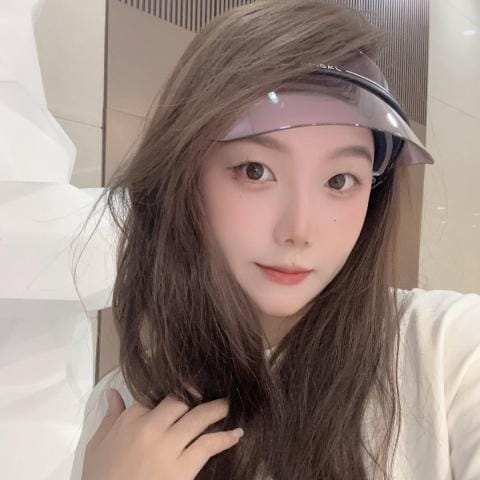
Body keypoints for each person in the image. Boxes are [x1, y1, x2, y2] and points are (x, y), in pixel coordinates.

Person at [70, 1, 480, 479]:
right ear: (185, 179)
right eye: (255, 171)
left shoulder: (448, 350)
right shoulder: (124, 414)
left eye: (340, 180)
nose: (299, 231)